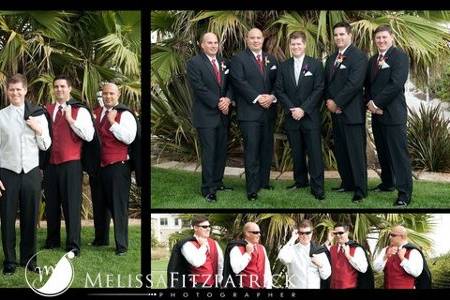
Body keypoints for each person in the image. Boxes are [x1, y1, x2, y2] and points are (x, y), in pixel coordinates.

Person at [0, 74, 51, 275]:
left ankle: (29, 260)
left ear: (25, 90)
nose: (15, 93)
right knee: (7, 218)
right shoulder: (1, 116)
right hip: (7, 174)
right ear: (7, 92)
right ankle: (10, 261)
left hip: (31, 173)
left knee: (31, 219)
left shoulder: (37, 115)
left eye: (18, 89)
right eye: (11, 90)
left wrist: (38, 129)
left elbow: (46, 145)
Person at [43, 75, 95, 256]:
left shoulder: (79, 111)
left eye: (62, 86)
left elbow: (88, 136)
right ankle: (52, 240)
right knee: (51, 204)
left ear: (69, 89)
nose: (59, 90)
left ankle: (73, 244)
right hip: (50, 164)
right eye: (56, 87)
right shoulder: (47, 109)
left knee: (71, 205)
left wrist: (71, 120)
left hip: (71, 164)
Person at [364, 24, 413, 207]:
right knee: (383, 152)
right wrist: (370, 103)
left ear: (391, 37)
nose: (381, 41)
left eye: (384, 37)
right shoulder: (373, 60)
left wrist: (376, 103)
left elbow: (396, 84)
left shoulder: (400, 57)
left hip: (394, 114)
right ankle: (387, 183)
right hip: (377, 114)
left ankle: (404, 193)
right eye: (378, 38)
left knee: (398, 154)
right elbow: (367, 85)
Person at [275, 31, 325, 200]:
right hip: (292, 117)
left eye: (298, 44)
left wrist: (303, 109)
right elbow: (279, 90)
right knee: (296, 152)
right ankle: (300, 181)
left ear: (305, 45)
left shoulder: (316, 65)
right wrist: (292, 109)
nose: (296, 47)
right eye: (293, 44)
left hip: (309, 116)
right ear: (289, 47)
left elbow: (319, 89)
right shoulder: (284, 66)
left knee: (314, 153)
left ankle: (317, 187)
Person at [230, 28, 278, 201]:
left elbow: (278, 82)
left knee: (266, 149)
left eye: (258, 38)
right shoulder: (238, 59)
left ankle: (264, 182)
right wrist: (258, 98)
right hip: (249, 114)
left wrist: (272, 96)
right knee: (252, 151)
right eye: (252, 38)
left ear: (263, 39)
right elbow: (239, 82)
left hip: (268, 112)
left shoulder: (271, 59)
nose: (256, 41)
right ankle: (252, 189)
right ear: (246, 39)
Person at [186, 32, 234, 203]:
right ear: (202, 44)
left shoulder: (224, 62)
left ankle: (218, 182)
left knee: (221, 151)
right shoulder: (194, 63)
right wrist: (218, 103)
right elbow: (199, 88)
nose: (214, 45)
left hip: (223, 115)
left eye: (216, 43)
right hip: (206, 116)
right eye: (210, 43)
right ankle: (208, 189)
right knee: (209, 152)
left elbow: (230, 85)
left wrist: (228, 99)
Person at [91, 83, 137, 255]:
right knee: (100, 205)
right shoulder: (96, 113)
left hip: (118, 166)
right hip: (99, 166)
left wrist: (112, 122)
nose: (108, 96)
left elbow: (129, 138)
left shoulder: (125, 114)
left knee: (118, 207)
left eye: (111, 93)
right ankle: (101, 238)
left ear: (118, 94)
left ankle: (121, 245)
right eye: (105, 93)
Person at [324, 21, 368, 203]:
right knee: (342, 150)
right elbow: (327, 83)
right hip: (335, 112)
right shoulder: (332, 57)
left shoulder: (358, 56)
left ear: (350, 35)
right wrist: (329, 101)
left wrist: (337, 102)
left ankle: (360, 189)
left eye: (342, 34)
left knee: (356, 152)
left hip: (352, 112)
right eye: (336, 35)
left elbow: (354, 84)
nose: (339, 38)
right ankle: (347, 183)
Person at [167, 215, 223, 288]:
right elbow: (197, 262)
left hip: (213, 284)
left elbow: (220, 264)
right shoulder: (187, 244)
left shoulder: (214, 243)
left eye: (209, 226)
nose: (208, 229)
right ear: (195, 228)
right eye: (204, 227)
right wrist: (203, 246)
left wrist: (219, 281)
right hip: (195, 285)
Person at [277, 219, 331, 289]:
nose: (305, 236)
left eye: (307, 233)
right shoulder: (292, 249)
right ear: (298, 233)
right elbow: (282, 257)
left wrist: (320, 265)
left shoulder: (319, 250)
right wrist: (292, 239)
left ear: (312, 233)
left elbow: (326, 275)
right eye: (302, 233)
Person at [222, 222, 272, 288]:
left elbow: (267, 271)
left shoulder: (261, 248)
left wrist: (268, 287)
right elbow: (236, 269)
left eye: (259, 232)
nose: (259, 235)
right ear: (247, 233)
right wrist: (247, 254)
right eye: (256, 232)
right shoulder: (236, 248)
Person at [328, 223, 374, 289]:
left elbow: (363, 269)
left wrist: (349, 256)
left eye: (340, 233)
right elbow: (318, 253)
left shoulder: (357, 249)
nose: (338, 235)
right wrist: (328, 240)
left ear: (347, 233)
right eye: (335, 233)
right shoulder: (331, 248)